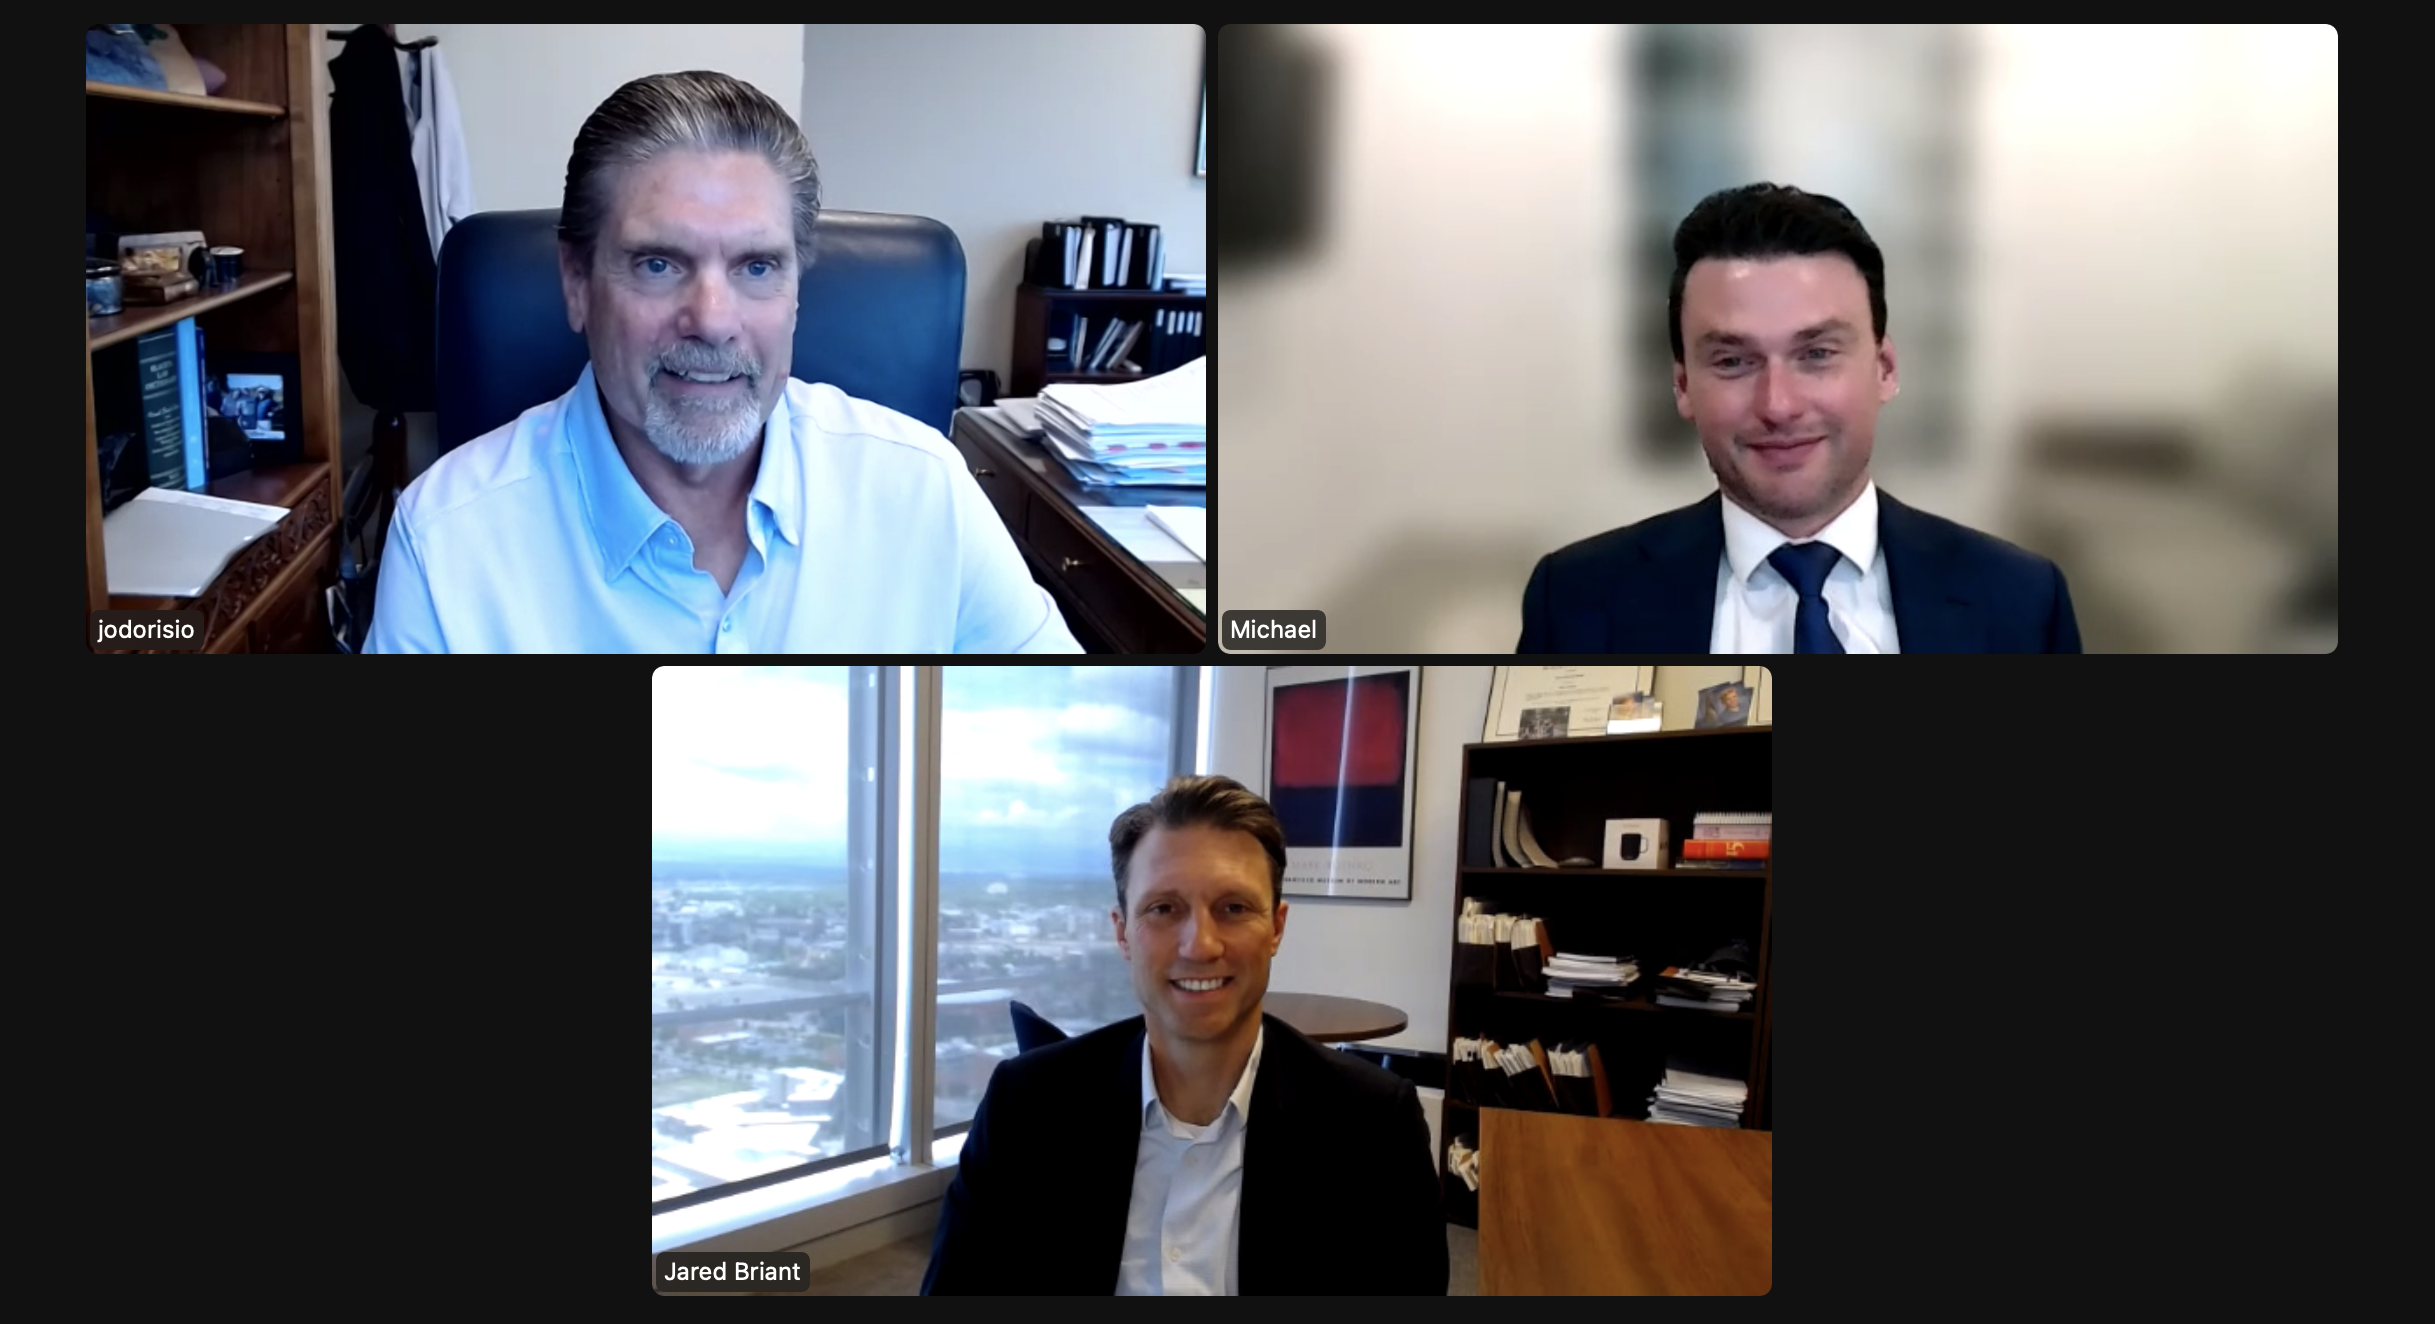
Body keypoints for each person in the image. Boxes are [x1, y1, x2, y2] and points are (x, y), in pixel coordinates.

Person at [364, 70, 1080, 653]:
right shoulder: (445, 541)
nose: (711, 319)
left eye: (757, 266)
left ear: (798, 291)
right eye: (656, 263)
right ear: (576, 283)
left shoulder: (925, 491)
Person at [922, 775, 1447, 1296]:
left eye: (1234, 908)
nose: (1201, 945)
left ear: (1277, 928)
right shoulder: (1027, 1106)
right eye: (1164, 908)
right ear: (1122, 931)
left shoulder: (1373, 1125)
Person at [1516, 182, 2081, 653]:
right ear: (1683, 385)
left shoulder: (2022, 601)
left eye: (1816, 355)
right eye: (1733, 361)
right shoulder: (1573, 603)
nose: (1778, 405)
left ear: (1883, 368)